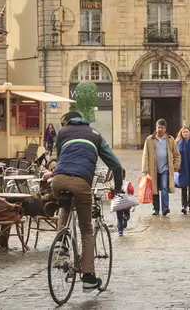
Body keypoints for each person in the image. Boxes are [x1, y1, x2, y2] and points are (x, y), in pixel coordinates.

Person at [50, 109, 125, 291]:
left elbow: (61, 158)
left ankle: (60, 244)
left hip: (57, 179)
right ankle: (89, 277)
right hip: (81, 181)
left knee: (65, 205)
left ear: (68, 122)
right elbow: (115, 165)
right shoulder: (96, 135)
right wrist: (118, 187)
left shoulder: (62, 133)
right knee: (86, 230)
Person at [141, 119, 179, 217]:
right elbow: (145, 155)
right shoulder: (149, 139)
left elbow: (177, 155)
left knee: (164, 187)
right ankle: (156, 209)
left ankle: (165, 208)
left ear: (165, 129)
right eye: (158, 127)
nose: (160, 129)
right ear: (156, 127)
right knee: (155, 189)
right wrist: (145, 168)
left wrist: (175, 166)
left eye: (162, 127)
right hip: (153, 169)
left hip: (165, 169)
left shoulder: (170, 139)